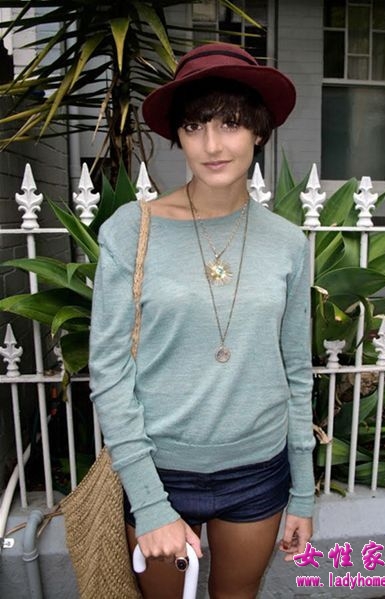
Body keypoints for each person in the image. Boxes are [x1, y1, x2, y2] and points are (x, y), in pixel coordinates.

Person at [89, 42, 315, 599]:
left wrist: (304, 493)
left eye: (230, 124)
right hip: (160, 469)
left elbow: (295, 371)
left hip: (258, 470)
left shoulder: (288, 243)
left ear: (259, 131)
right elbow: (110, 372)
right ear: (180, 137)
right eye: (194, 127)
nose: (212, 145)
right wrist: (149, 501)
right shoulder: (130, 230)